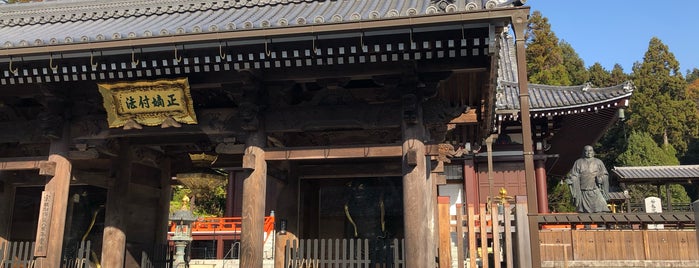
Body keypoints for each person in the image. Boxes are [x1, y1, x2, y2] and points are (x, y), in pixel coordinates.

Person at [566, 145, 610, 213]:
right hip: (583, 193)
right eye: (586, 151)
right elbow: (574, 175)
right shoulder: (578, 162)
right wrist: (572, 179)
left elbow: (605, 174)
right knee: (584, 215)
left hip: (595, 191)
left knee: (602, 211)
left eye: (590, 150)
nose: (589, 152)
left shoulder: (598, 162)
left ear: (593, 152)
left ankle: (602, 223)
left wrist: (600, 178)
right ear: (583, 152)